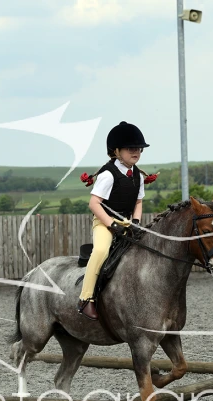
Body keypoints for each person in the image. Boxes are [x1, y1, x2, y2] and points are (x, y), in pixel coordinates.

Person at [77, 121, 150, 320]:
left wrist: (136, 222)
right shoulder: (108, 175)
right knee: (101, 251)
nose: (136, 152)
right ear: (116, 151)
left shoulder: (138, 176)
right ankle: (86, 299)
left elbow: (138, 202)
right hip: (104, 224)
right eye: (131, 148)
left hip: (126, 223)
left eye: (139, 148)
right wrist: (112, 225)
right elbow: (94, 203)